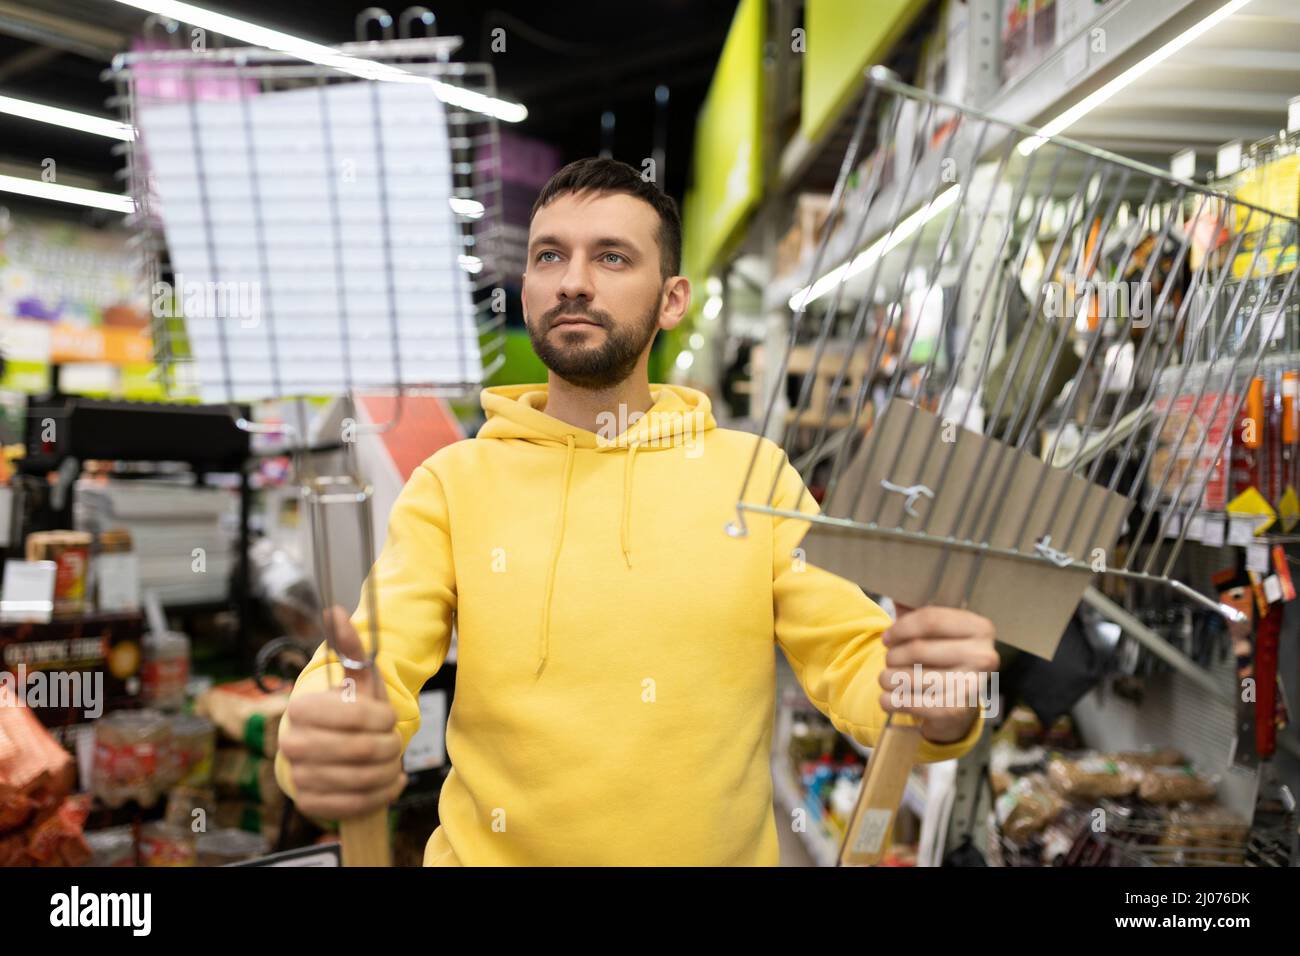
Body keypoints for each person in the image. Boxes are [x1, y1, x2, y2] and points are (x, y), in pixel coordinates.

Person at [273, 158, 998, 866]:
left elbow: (852, 656)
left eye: (613, 258)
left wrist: (935, 697)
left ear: (672, 299)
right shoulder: (454, 483)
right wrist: (326, 726)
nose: (575, 282)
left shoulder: (754, 476)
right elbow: (374, 657)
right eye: (549, 256)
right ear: (526, 288)